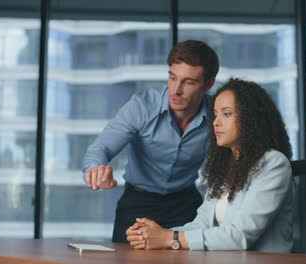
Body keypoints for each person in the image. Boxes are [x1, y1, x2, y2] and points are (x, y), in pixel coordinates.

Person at [126, 78, 293, 252]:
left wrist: (170, 238)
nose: (215, 122)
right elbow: (201, 224)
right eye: (215, 114)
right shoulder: (227, 168)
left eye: (227, 114)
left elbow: (240, 237)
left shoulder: (273, 164)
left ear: (251, 119)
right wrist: (154, 235)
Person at [82, 40, 219, 243]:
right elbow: (101, 147)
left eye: (189, 82)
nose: (176, 90)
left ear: (208, 84)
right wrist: (96, 169)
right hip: (138, 202)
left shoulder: (217, 115)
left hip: (185, 203)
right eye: (172, 78)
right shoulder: (142, 106)